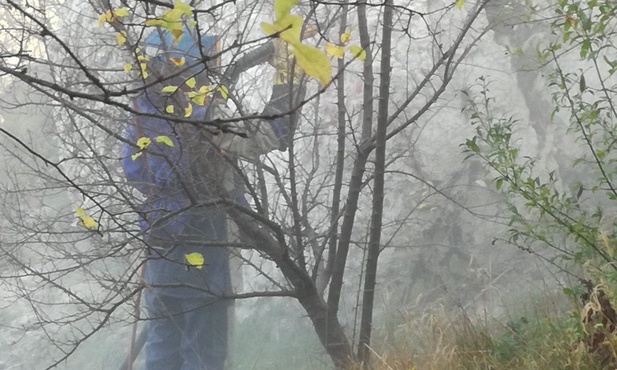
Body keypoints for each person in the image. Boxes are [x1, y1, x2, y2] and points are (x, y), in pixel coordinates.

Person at [121, 24, 304, 370]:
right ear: (192, 68)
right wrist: (288, 72)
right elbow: (271, 133)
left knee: (162, 353)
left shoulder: (142, 115)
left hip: (160, 257)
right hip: (204, 261)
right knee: (204, 359)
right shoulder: (203, 119)